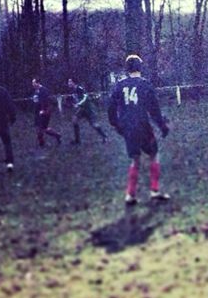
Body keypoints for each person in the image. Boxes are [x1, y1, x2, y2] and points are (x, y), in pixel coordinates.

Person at [107, 53, 170, 206]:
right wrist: (162, 126)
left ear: (126, 69)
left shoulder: (119, 85)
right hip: (142, 125)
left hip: (128, 128)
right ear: (140, 67)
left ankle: (130, 194)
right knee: (154, 155)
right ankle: (154, 191)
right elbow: (154, 109)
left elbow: (110, 108)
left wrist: (116, 124)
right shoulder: (145, 84)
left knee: (135, 159)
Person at [67, 77, 109, 144]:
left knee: (94, 125)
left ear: (74, 82)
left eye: (70, 82)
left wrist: (78, 104)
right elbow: (76, 98)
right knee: (74, 120)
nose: (68, 83)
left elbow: (85, 97)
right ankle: (77, 140)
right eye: (68, 82)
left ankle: (104, 136)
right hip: (81, 109)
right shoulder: (72, 90)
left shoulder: (79, 88)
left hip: (88, 109)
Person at [30, 79, 62, 148]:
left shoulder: (44, 90)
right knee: (43, 128)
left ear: (38, 83)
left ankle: (42, 144)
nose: (33, 84)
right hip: (37, 113)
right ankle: (57, 135)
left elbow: (47, 102)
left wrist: (43, 110)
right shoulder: (36, 91)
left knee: (40, 129)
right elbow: (36, 100)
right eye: (32, 83)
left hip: (45, 112)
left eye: (34, 83)